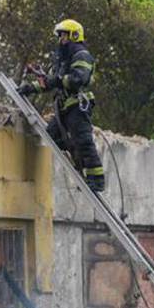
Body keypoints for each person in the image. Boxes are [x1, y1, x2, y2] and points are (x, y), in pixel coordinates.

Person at [18, 19, 105, 192]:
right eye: (60, 36)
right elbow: (51, 82)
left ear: (74, 35)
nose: (61, 40)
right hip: (64, 108)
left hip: (77, 106)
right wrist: (30, 88)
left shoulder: (81, 55)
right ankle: (78, 160)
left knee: (84, 141)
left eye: (63, 35)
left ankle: (97, 179)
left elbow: (78, 79)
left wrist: (58, 80)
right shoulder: (64, 60)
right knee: (51, 136)